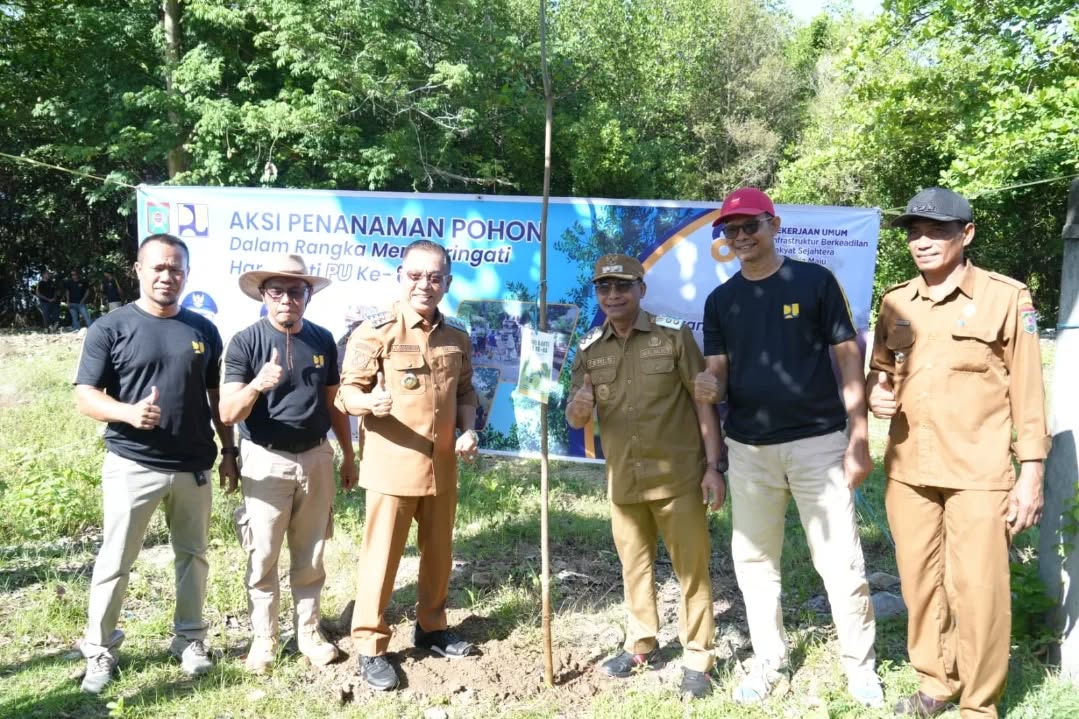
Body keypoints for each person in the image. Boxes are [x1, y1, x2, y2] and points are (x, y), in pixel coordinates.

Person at [694, 187, 882, 706]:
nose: (740, 237)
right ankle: (769, 661)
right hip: (749, 450)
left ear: (774, 226)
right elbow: (718, 377)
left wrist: (858, 437)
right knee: (754, 563)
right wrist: (710, 388)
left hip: (819, 444)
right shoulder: (721, 301)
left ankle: (860, 669)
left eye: (749, 225)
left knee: (840, 560)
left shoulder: (815, 281)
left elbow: (848, 358)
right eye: (730, 230)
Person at [868, 188, 1049, 719]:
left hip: (979, 471)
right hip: (908, 469)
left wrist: (1031, 472)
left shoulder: (1006, 298)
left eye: (936, 231)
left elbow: (1029, 390)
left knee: (978, 591)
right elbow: (883, 371)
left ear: (965, 234)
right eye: (914, 232)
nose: (922, 242)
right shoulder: (895, 300)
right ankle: (935, 682)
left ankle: (978, 703)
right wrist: (879, 391)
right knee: (921, 585)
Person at [73, 233, 238, 693]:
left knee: (193, 557)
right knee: (115, 561)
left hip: (194, 466)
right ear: (139, 270)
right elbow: (85, 395)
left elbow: (215, 397)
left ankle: (188, 639)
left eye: (176, 268)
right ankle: (101, 650)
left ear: (186, 273)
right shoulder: (110, 327)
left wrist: (230, 453)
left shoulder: (202, 329)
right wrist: (127, 412)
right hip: (133, 464)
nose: (168, 276)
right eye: (159, 268)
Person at [565, 254, 726, 699]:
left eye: (622, 287)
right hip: (625, 481)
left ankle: (698, 656)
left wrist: (713, 467)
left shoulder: (674, 336)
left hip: (678, 477)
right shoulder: (589, 349)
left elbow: (702, 403)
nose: (613, 296)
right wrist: (578, 407)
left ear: (641, 289)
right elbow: (577, 416)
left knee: (690, 571)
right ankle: (640, 644)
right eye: (604, 288)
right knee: (633, 568)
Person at [336, 239, 479, 691]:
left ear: (448, 283)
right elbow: (346, 394)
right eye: (415, 275)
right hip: (392, 468)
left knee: (439, 554)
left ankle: (432, 627)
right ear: (401, 276)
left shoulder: (457, 337)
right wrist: (369, 403)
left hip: (441, 468)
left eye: (434, 277)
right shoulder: (375, 332)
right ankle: (370, 644)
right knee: (382, 558)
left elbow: (465, 393)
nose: (425, 284)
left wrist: (469, 429)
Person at [219, 254, 358, 674]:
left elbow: (335, 404)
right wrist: (258, 385)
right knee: (262, 554)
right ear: (263, 296)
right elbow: (227, 412)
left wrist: (348, 455)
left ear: (307, 296)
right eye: (276, 292)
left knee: (311, 551)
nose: (286, 300)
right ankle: (264, 639)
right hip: (265, 458)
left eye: (295, 292)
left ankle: (309, 632)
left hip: (316, 456)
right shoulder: (245, 342)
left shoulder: (322, 340)